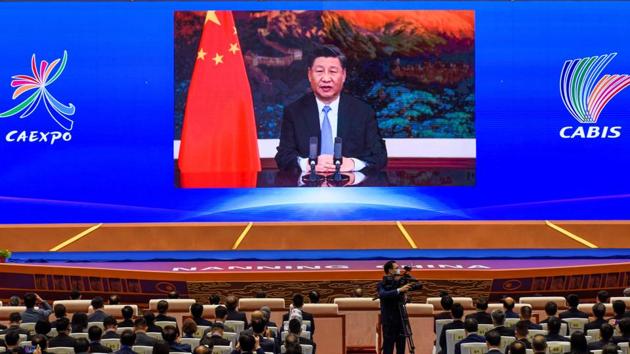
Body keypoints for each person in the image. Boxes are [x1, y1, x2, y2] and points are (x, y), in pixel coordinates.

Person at [275, 44, 387, 172]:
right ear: (309, 74)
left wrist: (352, 163)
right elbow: (283, 157)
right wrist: (307, 164)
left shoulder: (363, 112)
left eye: (333, 71)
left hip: (350, 188)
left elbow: (380, 156)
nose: (326, 78)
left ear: (344, 75)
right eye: (319, 71)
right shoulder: (294, 112)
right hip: (308, 188)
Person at [379, 260, 413, 354]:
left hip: (401, 321)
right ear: (390, 270)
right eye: (397, 268)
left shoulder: (400, 283)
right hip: (389, 322)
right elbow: (383, 294)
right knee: (388, 349)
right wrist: (399, 290)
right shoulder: (382, 284)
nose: (399, 270)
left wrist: (404, 297)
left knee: (401, 349)